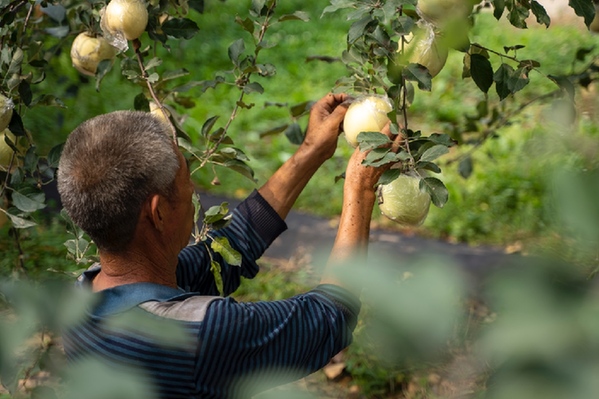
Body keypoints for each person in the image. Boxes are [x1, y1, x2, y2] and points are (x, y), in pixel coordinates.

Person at [57, 93, 395, 399]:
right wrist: (361, 190)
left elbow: (229, 246)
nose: (193, 192)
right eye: (187, 183)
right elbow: (328, 320)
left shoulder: (84, 297)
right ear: (158, 213)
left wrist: (311, 151)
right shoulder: (199, 336)